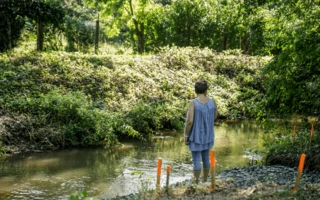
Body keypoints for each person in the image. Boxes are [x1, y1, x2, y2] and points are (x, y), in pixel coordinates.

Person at [184, 80, 218, 184]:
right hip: (208, 135)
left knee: (196, 159)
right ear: (206, 90)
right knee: (206, 158)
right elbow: (216, 115)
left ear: (195, 90)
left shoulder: (193, 103)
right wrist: (208, 122)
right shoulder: (212, 102)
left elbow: (190, 121)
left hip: (196, 135)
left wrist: (186, 135)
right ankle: (205, 180)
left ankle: (196, 182)